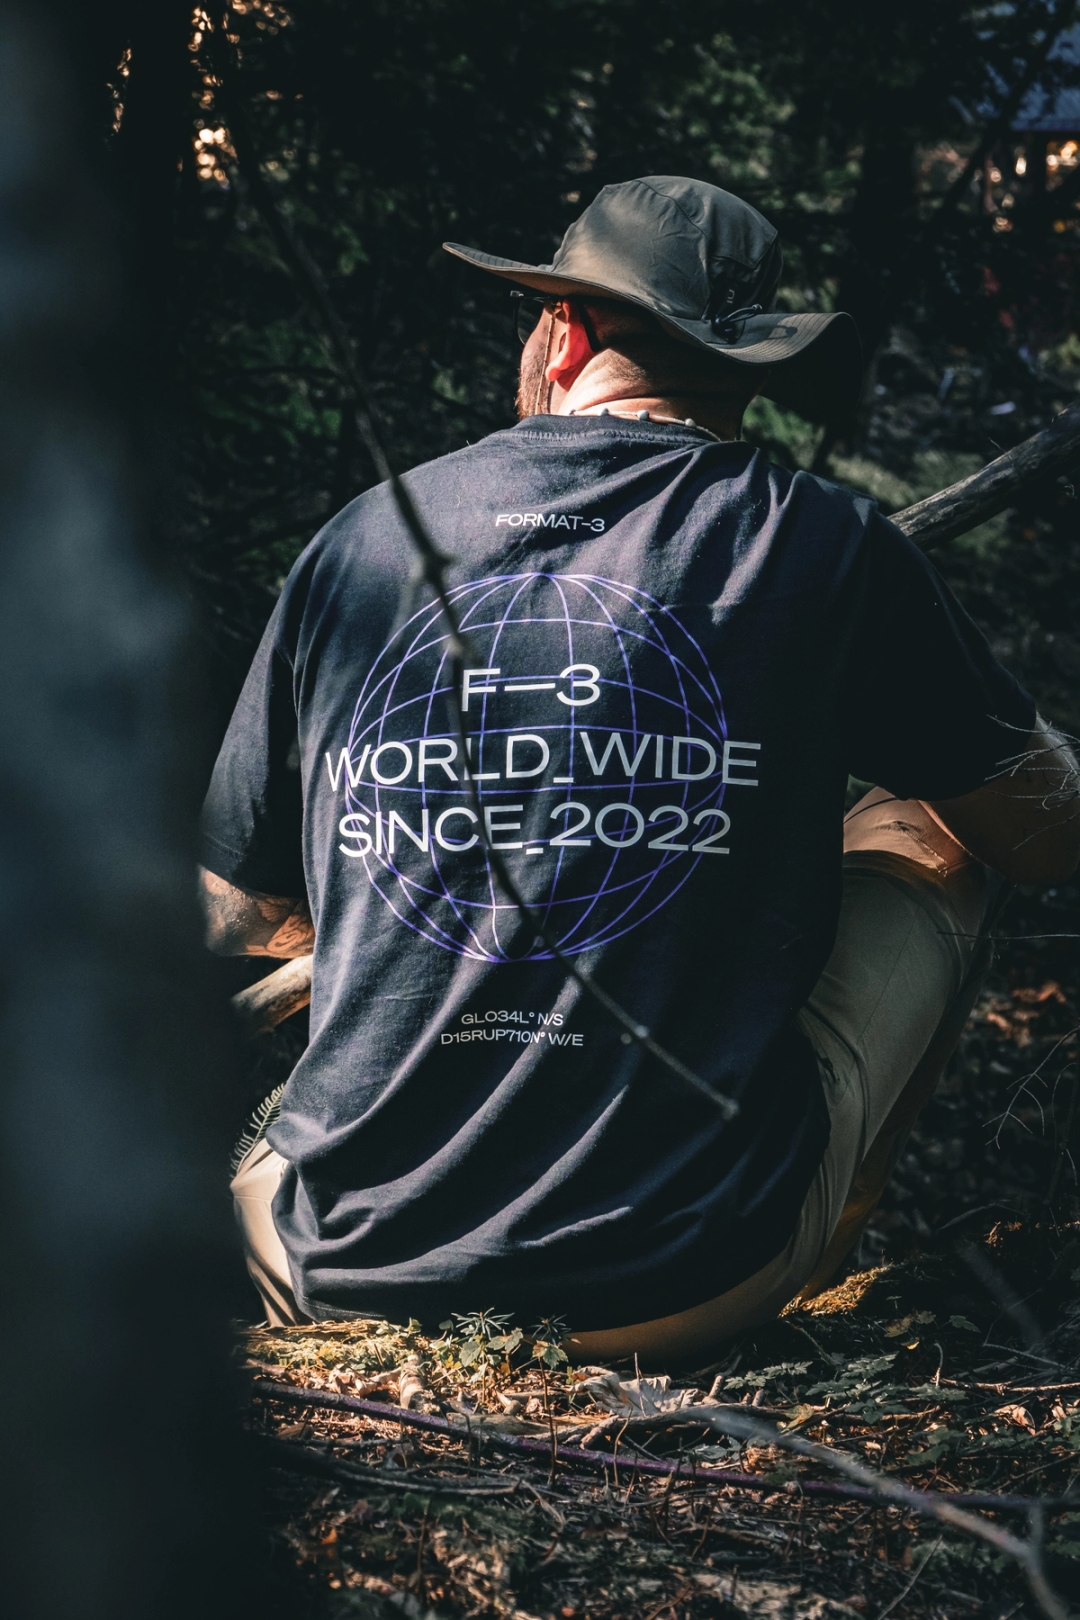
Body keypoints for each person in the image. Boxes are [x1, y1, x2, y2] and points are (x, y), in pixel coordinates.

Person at [201, 176, 1080, 1358]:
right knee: (933, 825)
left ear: (564, 331)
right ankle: (813, 1252)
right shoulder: (822, 543)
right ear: (747, 368)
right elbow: (1044, 831)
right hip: (673, 1279)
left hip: (324, 1263)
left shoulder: (363, 537)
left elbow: (227, 914)